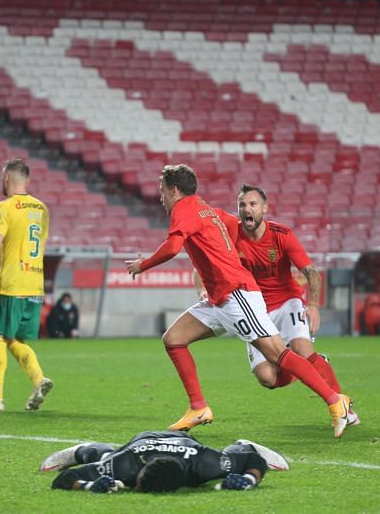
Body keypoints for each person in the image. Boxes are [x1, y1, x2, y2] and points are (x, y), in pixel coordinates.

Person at [125, 164, 350, 437]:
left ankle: (335, 401)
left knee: (277, 354)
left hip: (237, 294)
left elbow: (173, 247)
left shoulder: (184, 209)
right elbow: (227, 231)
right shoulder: (207, 209)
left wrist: (143, 264)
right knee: (173, 339)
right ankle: (198, 407)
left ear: (174, 189)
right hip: (220, 300)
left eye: (162, 189)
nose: (160, 195)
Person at [194, 184, 359, 426]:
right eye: (242, 204)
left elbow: (311, 272)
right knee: (268, 378)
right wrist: (201, 289)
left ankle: (343, 408)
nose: (246, 209)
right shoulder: (230, 236)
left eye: (252, 204)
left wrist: (312, 305)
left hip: (287, 301)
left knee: (303, 349)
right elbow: (201, 267)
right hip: (254, 310)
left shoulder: (281, 235)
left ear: (264, 208)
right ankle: (310, 365)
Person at [0, 158, 53, 412]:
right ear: (27, 180)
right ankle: (39, 379)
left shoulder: (4, 207)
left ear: (7, 177)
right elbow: (39, 246)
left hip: (11, 284)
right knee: (15, 339)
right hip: (34, 282)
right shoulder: (41, 208)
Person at [40, 430, 287, 493]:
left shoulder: (205, 465)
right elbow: (64, 478)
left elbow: (254, 460)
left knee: (238, 455)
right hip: (143, 441)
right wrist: (90, 485)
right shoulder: (126, 465)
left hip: (185, 443)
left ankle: (244, 443)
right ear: (141, 471)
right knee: (107, 457)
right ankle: (82, 450)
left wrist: (247, 480)